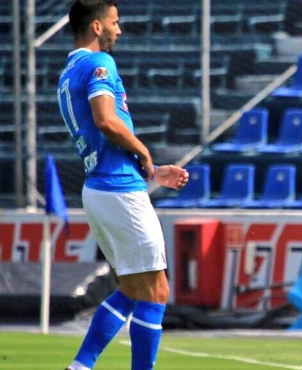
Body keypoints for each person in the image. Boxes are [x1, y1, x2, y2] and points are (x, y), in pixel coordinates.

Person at [58, 1, 189, 369]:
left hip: (101, 188)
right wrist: (145, 153)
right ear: (97, 26)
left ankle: (81, 366)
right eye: (115, 22)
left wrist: (149, 170)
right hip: (117, 189)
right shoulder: (99, 63)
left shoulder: (68, 70)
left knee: (133, 289)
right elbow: (105, 120)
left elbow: (103, 133)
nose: (120, 29)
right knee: (156, 291)